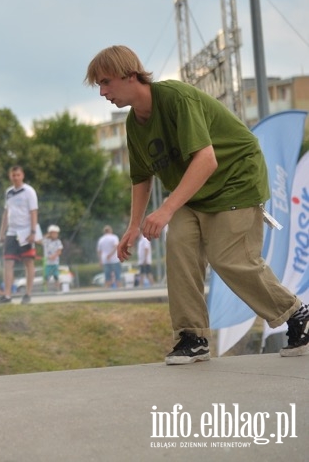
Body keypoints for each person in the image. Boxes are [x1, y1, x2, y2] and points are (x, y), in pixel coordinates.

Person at [85, 44, 309, 364]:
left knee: (228, 258)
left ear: (130, 75)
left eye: (106, 82)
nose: (103, 92)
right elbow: (141, 178)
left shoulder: (176, 98)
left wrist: (166, 209)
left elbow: (206, 159)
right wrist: (133, 227)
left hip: (235, 179)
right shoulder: (134, 124)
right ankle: (193, 337)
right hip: (193, 192)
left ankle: (296, 313)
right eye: (99, 86)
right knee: (179, 247)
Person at [0, 165, 38, 305]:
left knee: (28, 262)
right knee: (8, 262)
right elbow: (6, 213)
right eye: (13, 175)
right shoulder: (9, 192)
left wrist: (33, 232)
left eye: (18, 175)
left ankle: (28, 293)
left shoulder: (29, 191)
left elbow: (33, 212)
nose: (16, 178)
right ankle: (7, 295)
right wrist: (2, 232)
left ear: (22, 175)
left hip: (25, 231)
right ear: (10, 176)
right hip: (12, 232)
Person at [42, 225, 63, 292]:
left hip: (55, 262)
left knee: (56, 276)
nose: (55, 235)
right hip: (47, 263)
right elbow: (41, 240)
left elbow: (59, 251)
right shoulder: (46, 241)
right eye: (53, 233)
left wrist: (54, 256)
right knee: (46, 277)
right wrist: (47, 235)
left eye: (56, 233)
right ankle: (45, 290)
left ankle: (57, 289)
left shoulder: (58, 242)